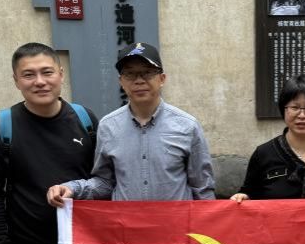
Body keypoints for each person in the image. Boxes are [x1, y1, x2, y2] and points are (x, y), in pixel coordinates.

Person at [0, 43, 98, 244]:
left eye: (47, 72)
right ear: (16, 80)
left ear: (61, 74)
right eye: (29, 75)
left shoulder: (85, 120)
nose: (40, 82)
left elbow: (102, 180)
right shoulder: (2, 125)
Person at [46, 42, 215, 206]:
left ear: (162, 78)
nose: (139, 81)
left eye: (147, 73)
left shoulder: (187, 126)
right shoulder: (108, 126)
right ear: (121, 81)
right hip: (126, 223)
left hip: (175, 223)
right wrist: (72, 188)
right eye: (130, 74)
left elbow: (202, 188)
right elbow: (105, 182)